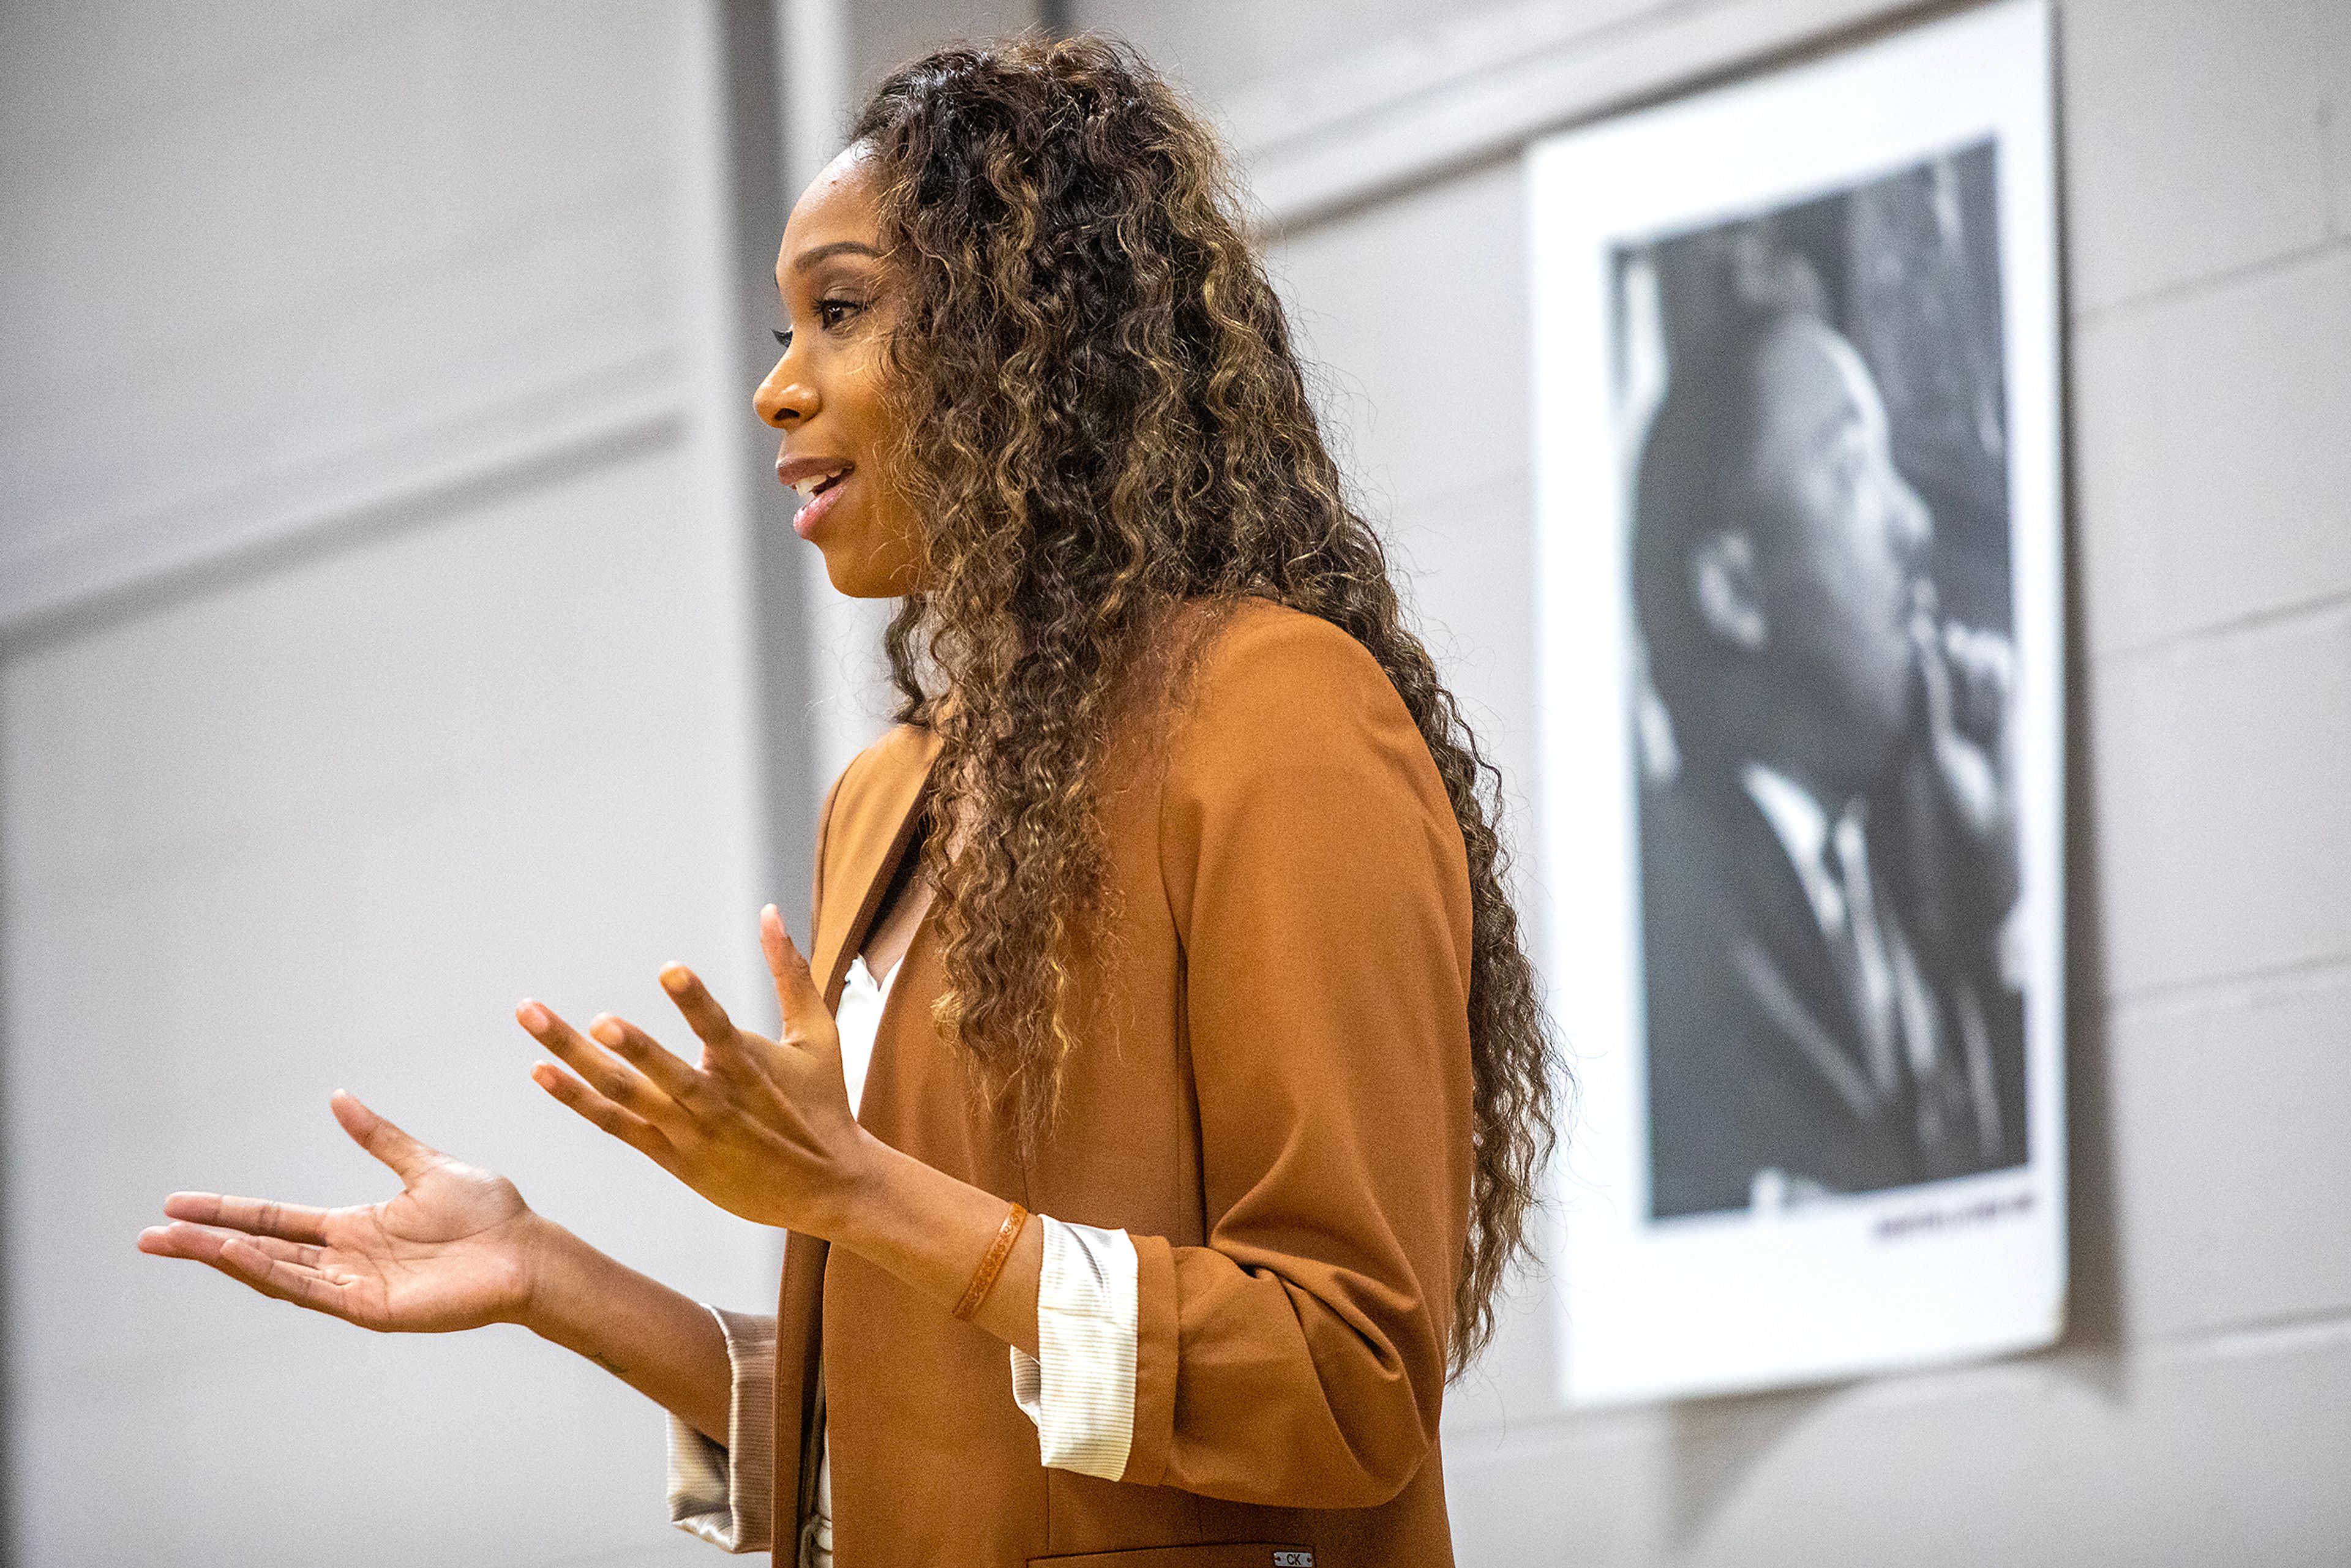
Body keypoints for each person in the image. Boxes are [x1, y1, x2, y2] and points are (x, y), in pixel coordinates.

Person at [137, 35, 1558, 1568]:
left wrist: (867, 1194)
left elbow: (1343, 1385)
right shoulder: (888, 798)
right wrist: (549, 1276)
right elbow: (923, 1424)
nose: (775, 386)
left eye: (842, 311)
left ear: (1034, 331)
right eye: (782, 325)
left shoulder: (1272, 712)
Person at [1630, 289, 2028, 1221]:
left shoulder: (1911, 884)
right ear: (1736, 591)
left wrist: (2003, 893)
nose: (1915, 522)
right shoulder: (1667, 929)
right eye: (1854, 469)